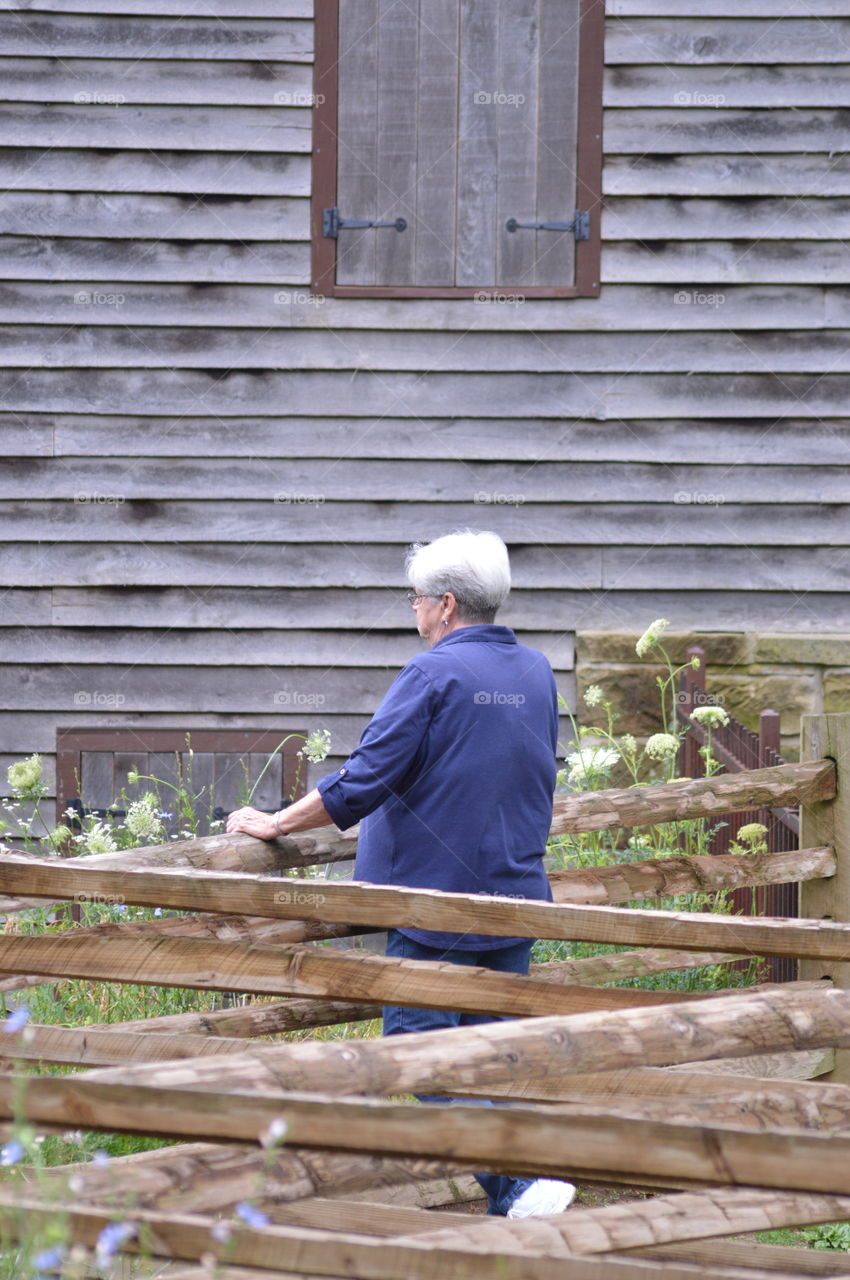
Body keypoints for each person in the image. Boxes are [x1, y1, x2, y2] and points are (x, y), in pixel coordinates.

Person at [226, 529, 575, 1218]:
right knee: (491, 1057)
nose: (412, 610)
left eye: (416, 598)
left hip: (434, 904)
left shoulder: (432, 674)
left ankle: (517, 1187)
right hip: (517, 898)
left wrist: (274, 822)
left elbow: (362, 780)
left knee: (416, 1048)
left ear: (445, 605)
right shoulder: (535, 671)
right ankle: (517, 1205)